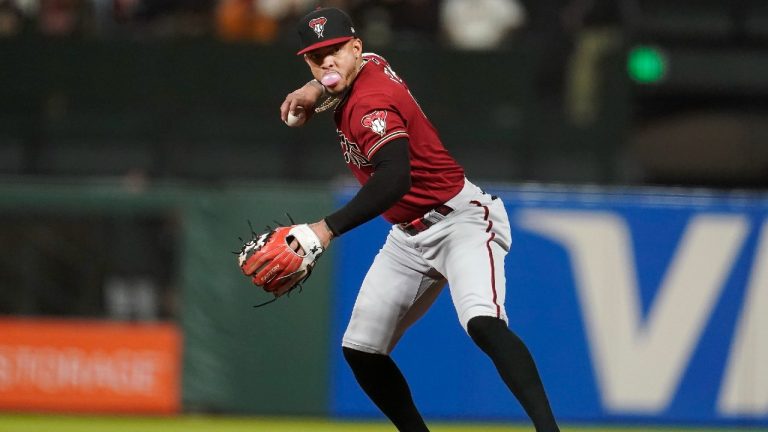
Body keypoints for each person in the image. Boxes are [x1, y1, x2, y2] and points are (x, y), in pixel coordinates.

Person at [279, 7, 561, 432]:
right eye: (317, 57)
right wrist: (313, 89)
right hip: (408, 236)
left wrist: (326, 228)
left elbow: (395, 179)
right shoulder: (370, 64)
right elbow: (340, 73)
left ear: (355, 46)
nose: (328, 61)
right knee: (361, 350)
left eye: (336, 50)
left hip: (461, 220)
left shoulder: (371, 102)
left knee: (483, 323)